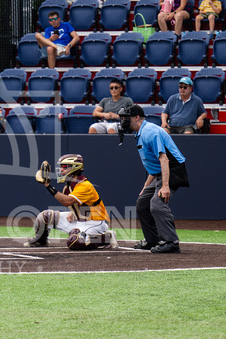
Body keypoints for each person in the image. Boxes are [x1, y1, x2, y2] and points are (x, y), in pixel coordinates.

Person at [118, 105, 189, 253]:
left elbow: (164, 160)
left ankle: (171, 242)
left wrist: (165, 186)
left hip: (173, 169)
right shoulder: (140, 132)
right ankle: (153, 240)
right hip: (160, 172)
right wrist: (146, 186)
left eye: (126, 117)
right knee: (142, 203)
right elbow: (155, 164)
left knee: (157, 204)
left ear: (137, 117)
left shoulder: (149, 132)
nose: (123, 120)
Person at [26, 154, 116, 250]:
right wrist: (72, 212)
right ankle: (41, 241)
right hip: (79, 220)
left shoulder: (85, 185)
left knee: (74, 241)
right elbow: (78, 204)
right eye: (61, 167)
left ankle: (106, 237)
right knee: (44, 217)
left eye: (64, 167)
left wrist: (48, 186)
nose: (61, 170)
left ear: (75, 168)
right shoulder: (69, 186)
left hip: (94, 222)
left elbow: (67, 201)